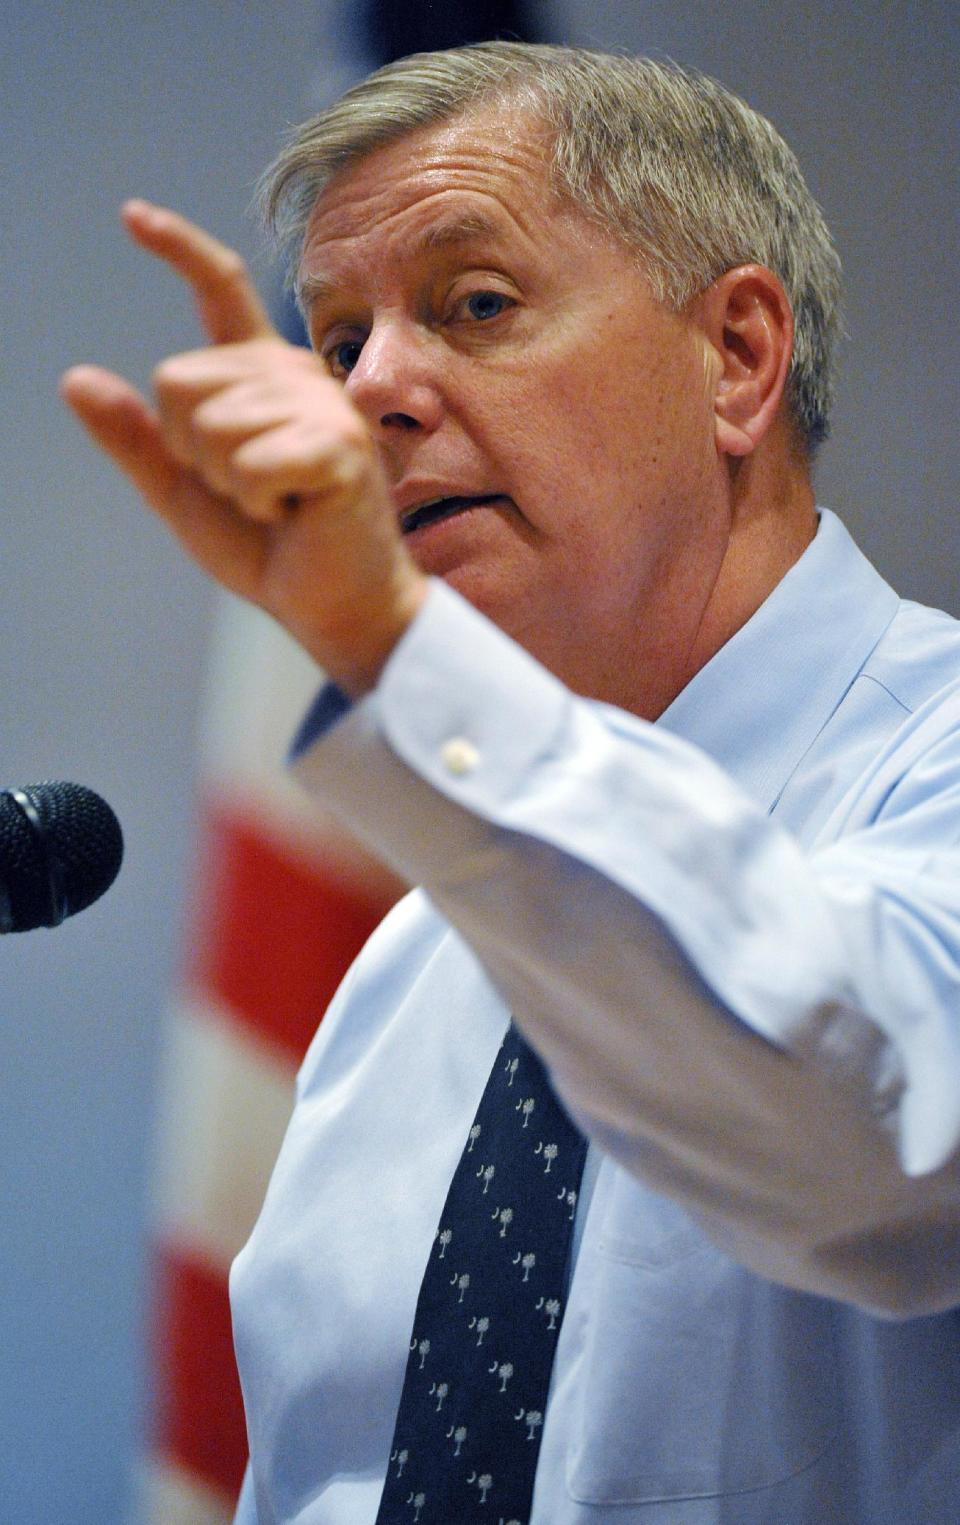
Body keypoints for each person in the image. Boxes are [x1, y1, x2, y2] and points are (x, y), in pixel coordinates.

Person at [62, 41, 960, 1525]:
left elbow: (865, 1140)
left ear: (738, 356)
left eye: (475, 304)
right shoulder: (415, 958)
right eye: (341, 343)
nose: (371, 397)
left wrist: (389, 646)